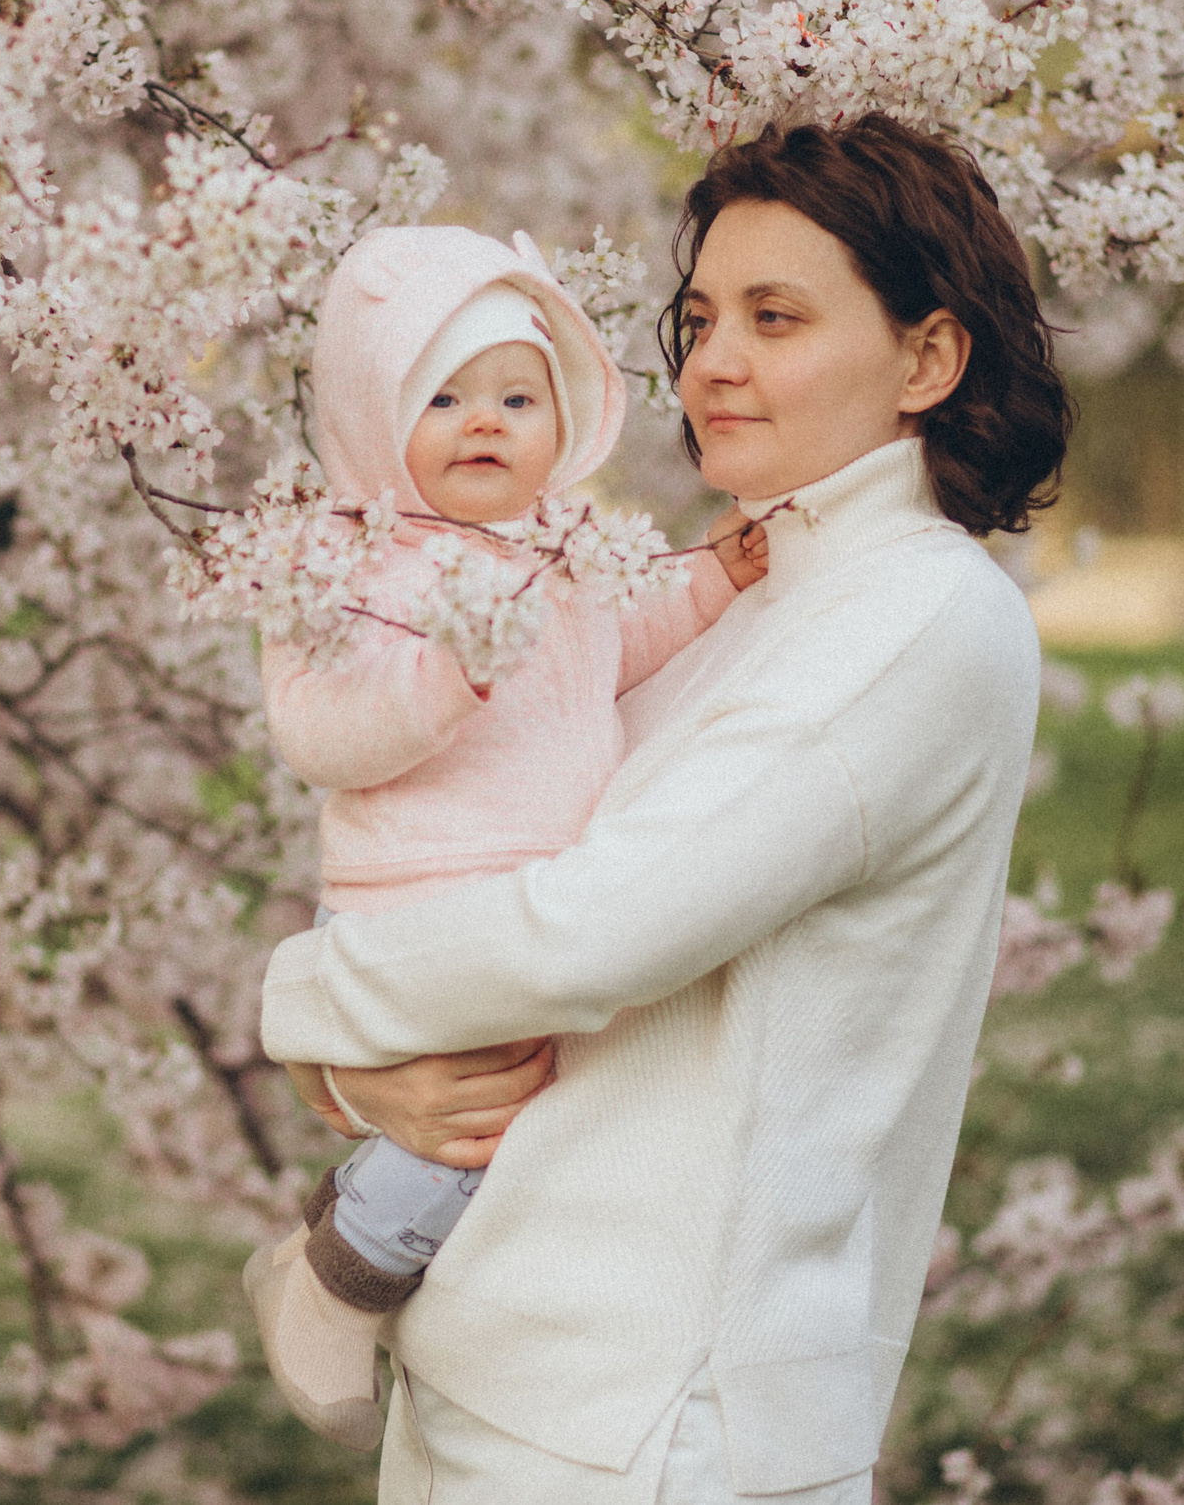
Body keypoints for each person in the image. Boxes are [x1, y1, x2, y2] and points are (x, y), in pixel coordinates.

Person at [259, 114, 1071, 1504]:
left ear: (929, 358)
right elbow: (502, 855)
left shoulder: (910, 616)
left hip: (651, 1427)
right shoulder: (761, 590)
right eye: (699, 319)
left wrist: (302, 1000)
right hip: (508, 1373)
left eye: (776, 317)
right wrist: (362, 1076)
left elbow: (587, 931)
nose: (713, 363)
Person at [245, 224, 769, 1449]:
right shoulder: (347, 556)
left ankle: (359, 1260)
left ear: (563, 413)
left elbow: (611, 650)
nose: (486, 422)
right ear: (376, 414)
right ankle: (335, 1277)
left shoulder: (566, 545)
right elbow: (317, 729)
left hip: (529, 899)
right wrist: (442, 675)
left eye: (517, 396)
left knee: (504, 1125)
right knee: (475, 1124)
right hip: (411, 901)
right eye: (443, 395)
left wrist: (711, 582)